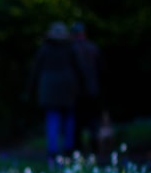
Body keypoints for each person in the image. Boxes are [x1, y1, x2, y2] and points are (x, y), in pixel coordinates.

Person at [27, 21, 85, 162]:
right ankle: (68, 149)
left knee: (53, 119)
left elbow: (35, 71)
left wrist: (30, 90)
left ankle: (53, 151)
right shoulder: (70, 48)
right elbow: (79, 69)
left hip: (49, 89)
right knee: (68, 119)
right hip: (67, 88)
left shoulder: (44, 49)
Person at [70, 22, 104, 153]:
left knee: (77, 121)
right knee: (93, 120)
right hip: (93, 90)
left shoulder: (71, 49)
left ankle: (77, 148)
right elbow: (101, 70)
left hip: (77, 92)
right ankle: (95, 145)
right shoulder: (93, 47)